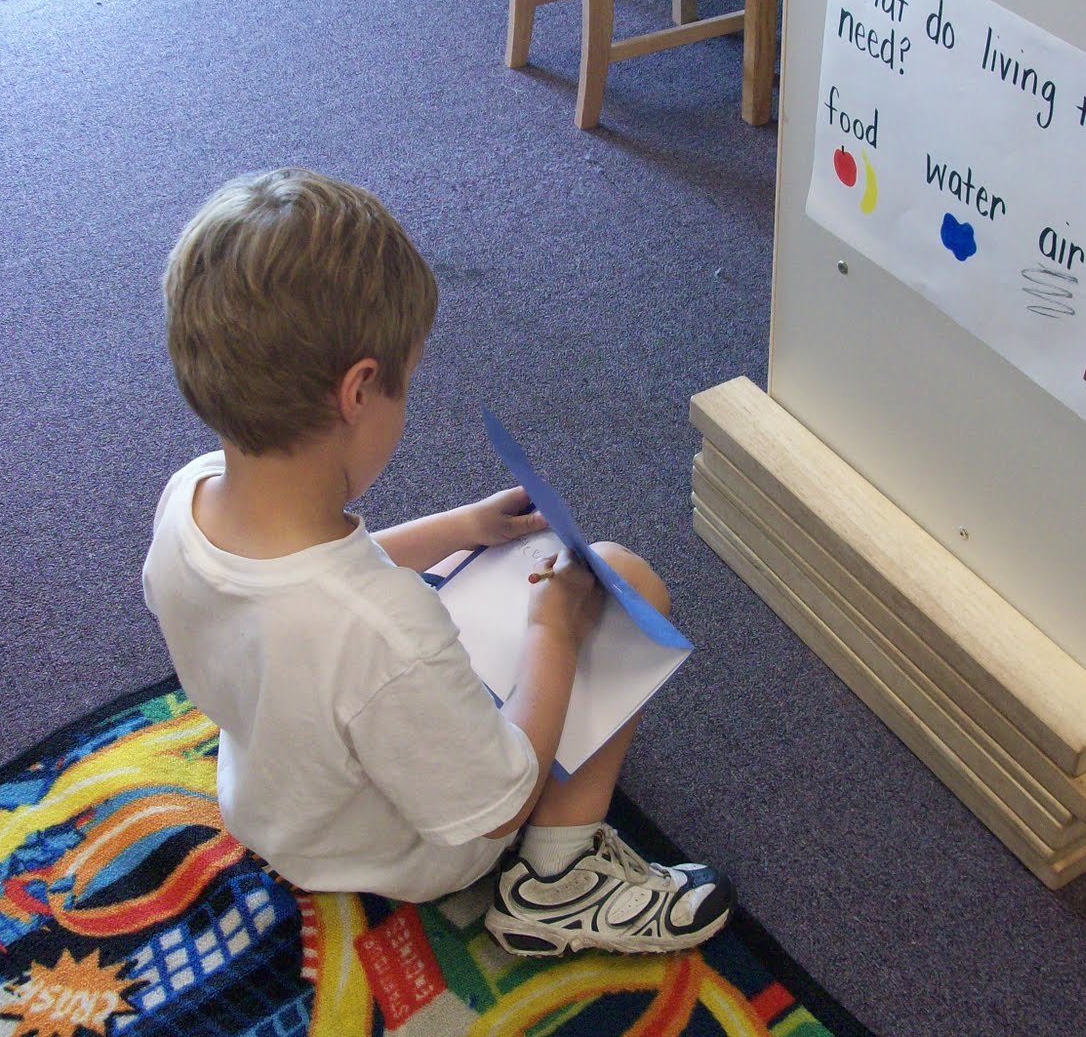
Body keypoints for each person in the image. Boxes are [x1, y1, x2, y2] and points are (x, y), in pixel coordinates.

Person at [142, 168, 732, 957]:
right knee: (626, 582)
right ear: (358, 391)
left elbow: (303, 592)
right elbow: (498, 801)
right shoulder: (386, 632)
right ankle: (560, 885)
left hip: (275, 804)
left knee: (528, 587)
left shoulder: (192, 497)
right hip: (412, 849)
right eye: (406, 384)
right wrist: (551, 630)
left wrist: (456, 528)